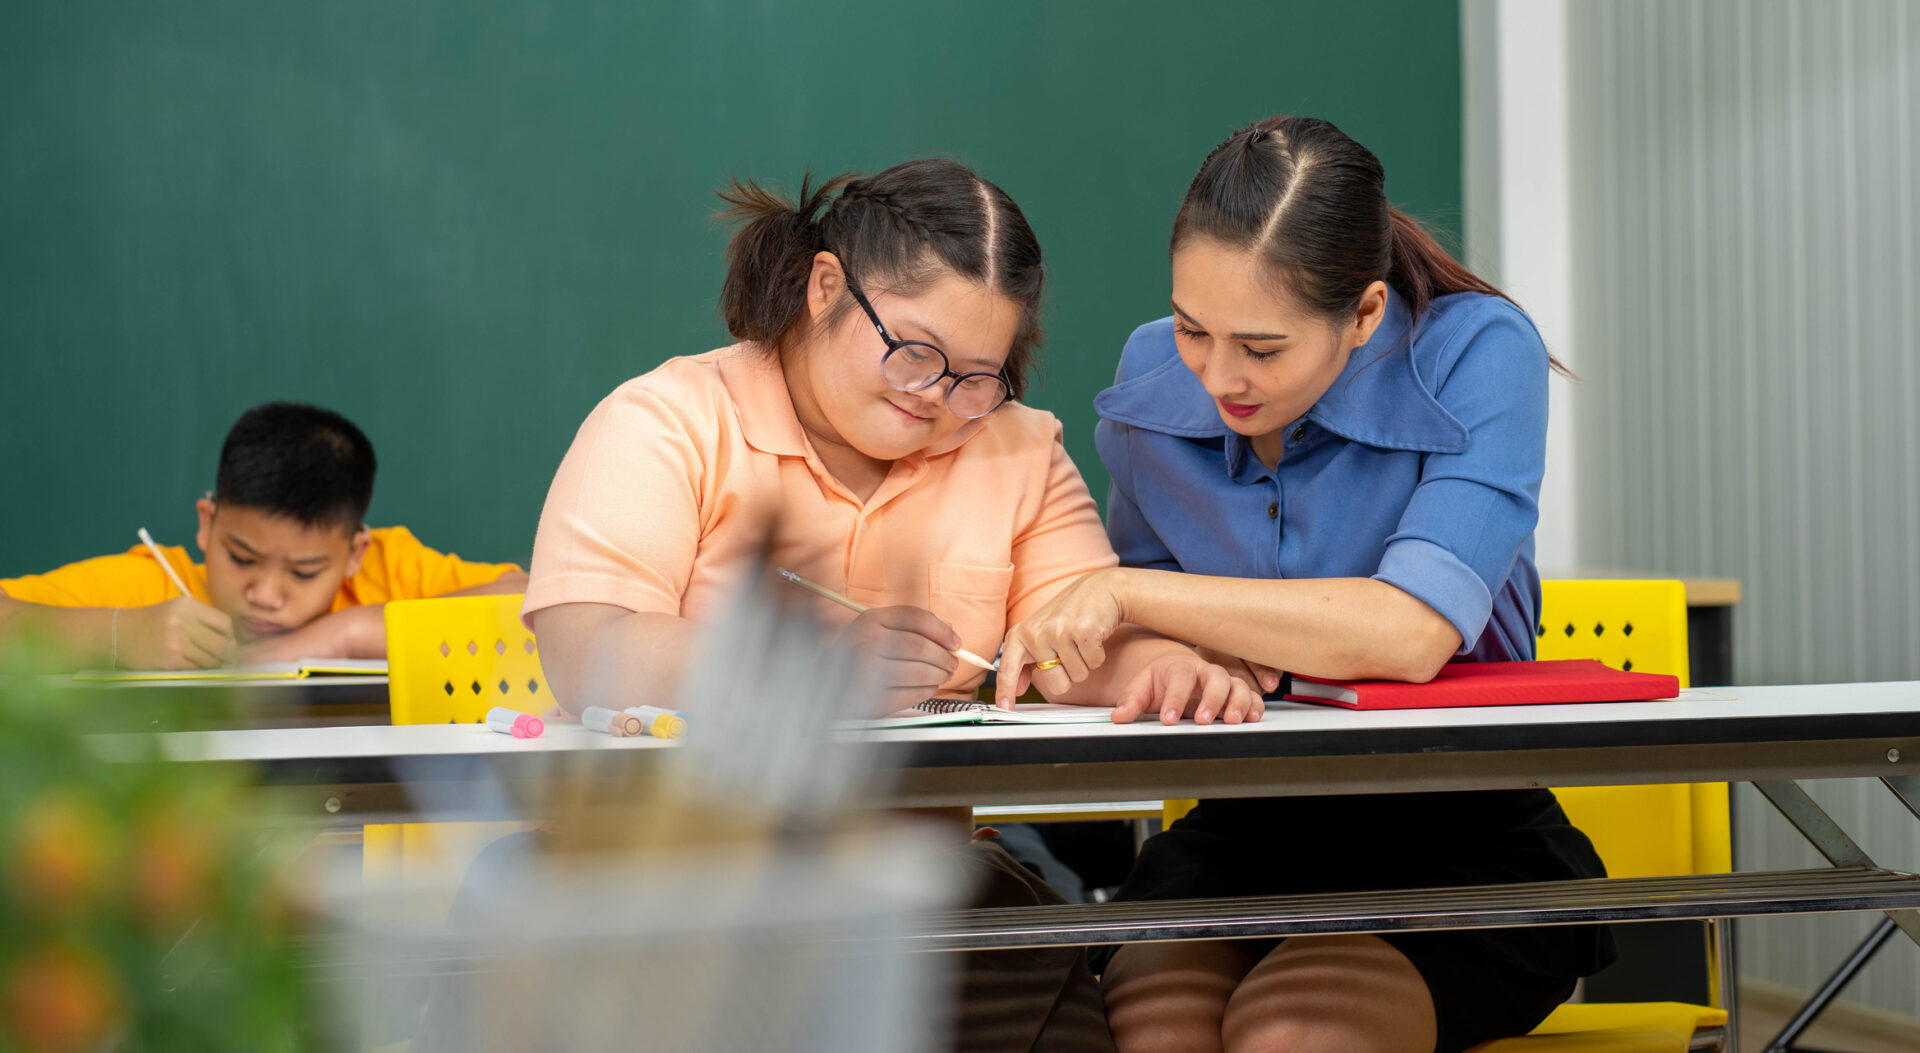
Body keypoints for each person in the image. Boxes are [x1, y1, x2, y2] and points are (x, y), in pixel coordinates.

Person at [521, 158, 1257, 1052]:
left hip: (912, 891)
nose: (936, 397)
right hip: (667, 880)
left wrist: (1169, 669)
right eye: (913, 352)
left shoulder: (1015, 449)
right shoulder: (670, 421)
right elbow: (588, 644)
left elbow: (1074, 641)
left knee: (1059, 1012)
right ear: (825, 286)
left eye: (976, 376)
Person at [996, 117, 1615, 1053]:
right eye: (1192, 327)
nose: (1217, 376)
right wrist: (1156, 658)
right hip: (1244, 828)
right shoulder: (1151, 376)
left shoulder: (1478, 351)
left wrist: (1126, 593)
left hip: (1459, 827)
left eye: (1262, 348)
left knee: (1292, 1031)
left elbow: (1409, 631)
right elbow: (1146, 650)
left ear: (1364, 314)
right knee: (1150, 1030)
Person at [0, 402, 526, 670]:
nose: (267, 595)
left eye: (304, 572)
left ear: (353, 554)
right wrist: (119, 635)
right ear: (207, 523)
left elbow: (531, 600)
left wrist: (340, 635)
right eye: (242, 557)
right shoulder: (154, 585)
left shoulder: (385, 572)